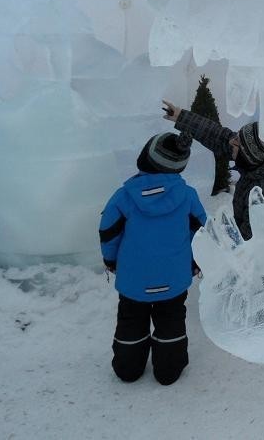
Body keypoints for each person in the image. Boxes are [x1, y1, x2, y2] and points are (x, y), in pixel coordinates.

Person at [99, 131, 207, 385]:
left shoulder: (123, 197)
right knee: (171, 321)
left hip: (134, 280)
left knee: (131, 321)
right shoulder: (188, 195)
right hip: (174, 278)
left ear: (144, 158)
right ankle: (168, 370)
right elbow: (201, 233)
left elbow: (108, 233)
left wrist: (111, 261)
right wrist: (196, 263)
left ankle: (128, 368)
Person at [162, 99, 264, 241]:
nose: (232, 142)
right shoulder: (262, 157)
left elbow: (247, 245)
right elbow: (219, 137)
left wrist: (205, 234)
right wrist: (181, 116)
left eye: (237, 143)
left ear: (248, 156)